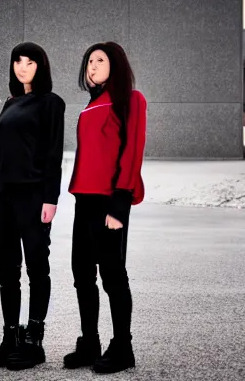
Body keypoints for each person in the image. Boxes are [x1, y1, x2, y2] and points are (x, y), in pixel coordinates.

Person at [64, 42, 147, 374]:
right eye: (89, 61)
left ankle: (122, 347)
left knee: (113, 276)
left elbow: (132, 151)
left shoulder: (130, 100)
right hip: (83, 200)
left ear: (116, 64)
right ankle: (90, 343)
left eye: (100, 60)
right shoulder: (90, 105)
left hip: (110, 201)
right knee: (82, 275)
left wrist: (120, 203)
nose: (93, 66)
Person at [0, 42, 65, 371]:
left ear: (40, 67)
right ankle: (10, 338)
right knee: (7, 271)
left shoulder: (51, 104)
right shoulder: (10, 103)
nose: (22, 66)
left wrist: (51, 198)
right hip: (3, 195)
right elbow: (0, 152)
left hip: (33, 196)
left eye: (29, 62)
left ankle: (34, 342)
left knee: (36, 268)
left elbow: (54, 153)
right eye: (18, 61)